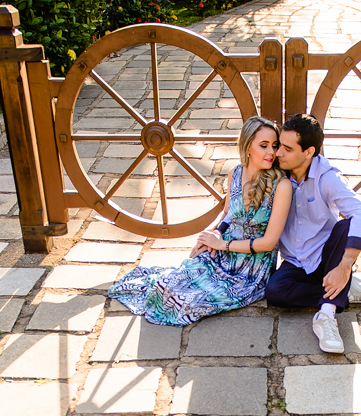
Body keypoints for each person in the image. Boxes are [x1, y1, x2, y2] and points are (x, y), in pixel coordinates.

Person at [109, 116, 292, 326]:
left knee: (187, 302)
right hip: (222, 255)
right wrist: (211, 235)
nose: (272, 152)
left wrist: (221, 244)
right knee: (166, 285)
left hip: (249, 271)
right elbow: (227, 214)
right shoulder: (236, 173)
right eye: (264, 145)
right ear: (248, 146)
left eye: (274, 145)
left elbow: (268, 243)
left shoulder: (282, 185)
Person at [264, 113, 361, 353]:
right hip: (295, 261)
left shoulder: (328, 177)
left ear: (309, 152)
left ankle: (326, 314)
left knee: (345, 226)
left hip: (326, 258)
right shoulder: (277, 171)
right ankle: (347, 289)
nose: (279, 153)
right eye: (279, 145)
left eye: (287, 149)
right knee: (274, 293)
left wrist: (344, 267)